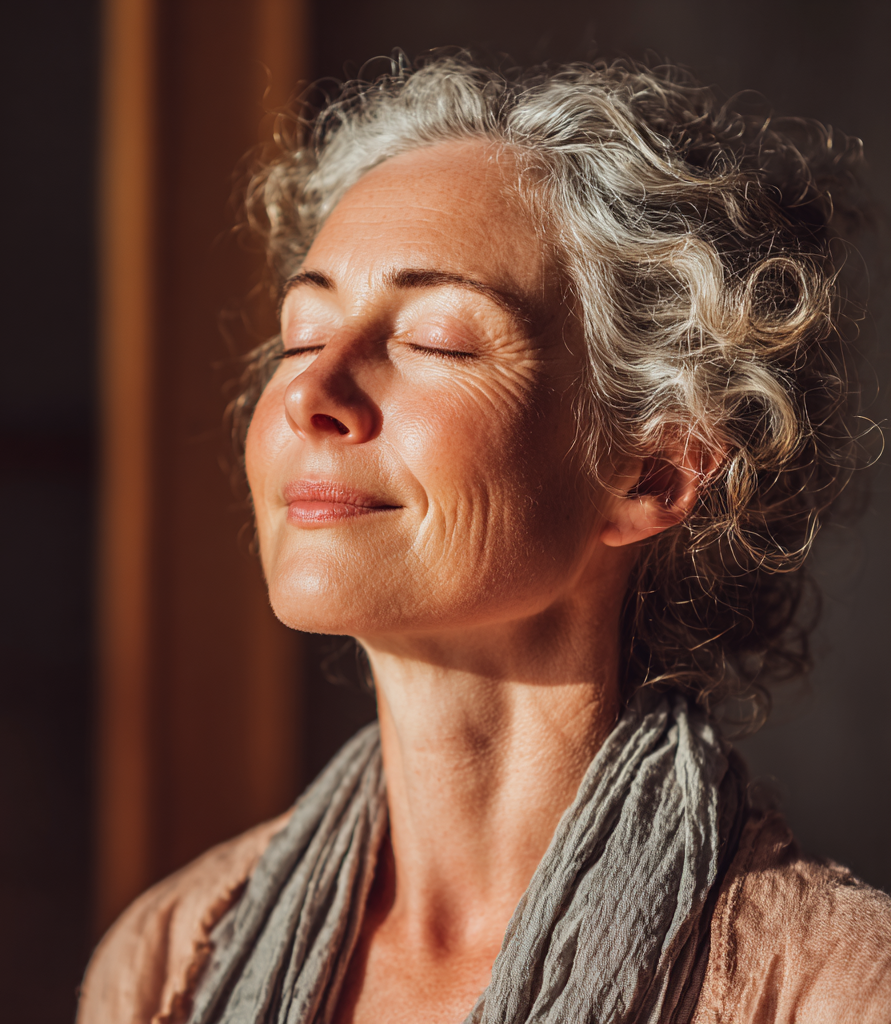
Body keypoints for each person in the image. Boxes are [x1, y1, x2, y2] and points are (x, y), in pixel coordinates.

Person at [77, 56, 891, 1024]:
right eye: (302, 336)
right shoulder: (168, 960)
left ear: (653, 473)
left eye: (437, 341)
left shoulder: (830, 990)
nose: (309, 394)